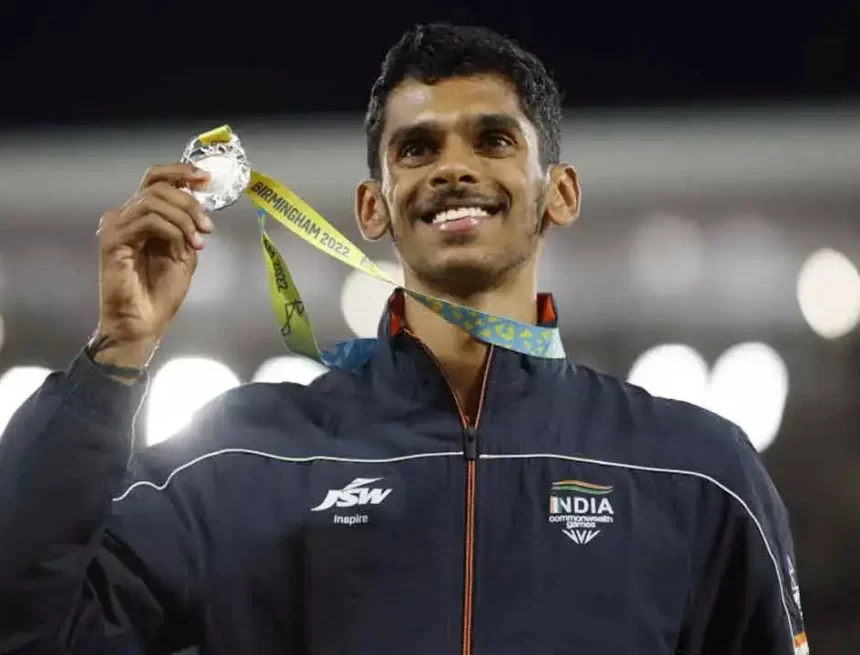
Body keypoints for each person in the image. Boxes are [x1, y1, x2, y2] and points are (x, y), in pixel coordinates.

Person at [0, 22, 809, 655]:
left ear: (559, 192)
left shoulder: (698, 472)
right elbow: (34, 629)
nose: (451, 168)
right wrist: (114, 356)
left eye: (492, 140)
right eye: (416, 148)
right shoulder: (237, 459)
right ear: (373, 208)